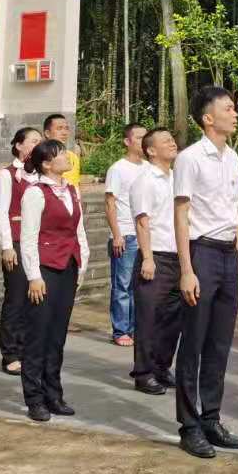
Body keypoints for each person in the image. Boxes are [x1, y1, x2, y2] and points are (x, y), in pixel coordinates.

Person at [172, 85, 238, 458]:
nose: (235, 114)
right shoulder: (189, 158)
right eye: (229, 109)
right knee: (195, 342)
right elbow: (182, 214)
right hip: (200, 253)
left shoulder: (231, 157)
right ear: (208, 117)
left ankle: (211, 418)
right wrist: (186, 269)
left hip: (227, 256)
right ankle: (189, 426)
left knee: (220, 343)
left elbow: (234, 211)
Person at [20, 138, 90, 421]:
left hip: (68, 265)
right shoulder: (35, 193)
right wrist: (34, 276)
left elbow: (79, 230)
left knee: (57, 336)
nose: (66, 157)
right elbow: (28, 238)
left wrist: (82, 263)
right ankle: (34, 398)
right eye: (60, 154)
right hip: (45, 268)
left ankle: (54, 393)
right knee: (38, 335)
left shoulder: (71, 190)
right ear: (47, 163)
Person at [129, 127, 182, 395]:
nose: (172, 143)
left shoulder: (177, 177)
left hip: (178, 256)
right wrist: (147, 258)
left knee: (173, 319)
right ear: (150, 150)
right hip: (156, 256)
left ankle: (162, 367)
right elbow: (142, 221)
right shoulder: (145, 180)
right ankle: (144, 373)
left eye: (172, 140)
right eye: (165, 141)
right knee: (149, 318)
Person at [0, 126, 40, 375]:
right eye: (33, 141)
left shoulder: (40, 175)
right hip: (16, 242)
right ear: (19, 145)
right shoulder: (7, 174)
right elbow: (2, 211)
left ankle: (27, 348)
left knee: (34, 300)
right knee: (16, 298)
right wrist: (6, 246)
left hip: (38, 243)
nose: (37, 145)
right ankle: (10, 352)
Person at [104, 122, 149, 347]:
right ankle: (121, 329)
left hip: (145, 236)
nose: (143, 141)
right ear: (127, 141)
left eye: (145, 137)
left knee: (140, 287)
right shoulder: (118, 168)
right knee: (122, 285)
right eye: (139, 137)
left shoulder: (149, 168)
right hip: (126, 235)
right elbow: (110, 203)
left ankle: (134, 328)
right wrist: (117, 234)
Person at [45, 113, 81, 187]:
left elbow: (76, 185)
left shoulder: (73, 156)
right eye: (59, 128)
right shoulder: (40, 156)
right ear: (47, 133)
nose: (64, 133)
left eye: (66, 129)